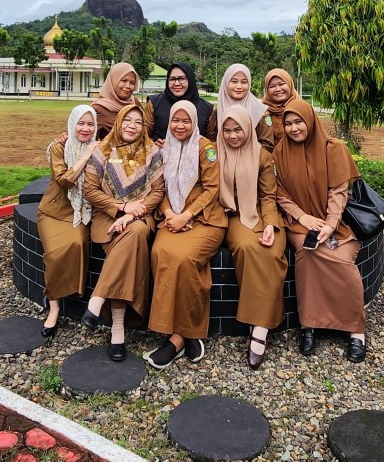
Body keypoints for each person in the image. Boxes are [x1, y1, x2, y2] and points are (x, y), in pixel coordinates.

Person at [274, 98, 368, 363]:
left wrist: (330, 223)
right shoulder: (280, 152)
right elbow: (279, 193)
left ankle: (355, 329)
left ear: (311, 121)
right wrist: (302, 216)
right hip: (300, 223)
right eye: (288, 123)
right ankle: (310, 324)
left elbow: (339, 190)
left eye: (299, 122)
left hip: (337, 224)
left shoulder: (333, 148)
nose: (294, 128)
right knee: (308, 252)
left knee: (341, 259)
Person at [143, 100, 225, 369]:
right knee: (161, 252)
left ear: (194, 123)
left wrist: (186, 215)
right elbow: (159, 187)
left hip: (204, 219)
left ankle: (177, 339)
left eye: (186, 121)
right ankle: (187, 332)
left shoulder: (205, 148)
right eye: (175, 120)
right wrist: (169, 214)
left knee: (185, 258)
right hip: (171, 217)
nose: (180, 125)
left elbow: (212, 188)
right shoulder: (163, 149)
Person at [81, 105, 165, 361]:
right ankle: (117, 329)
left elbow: (158, 192)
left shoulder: (152, 152)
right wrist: (120, 207)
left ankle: (97, 300)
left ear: (144, 127)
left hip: (142, 216)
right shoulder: (103, 150)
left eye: (138, 122)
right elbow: (90, 190)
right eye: (127, 120)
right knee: (129, 244)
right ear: (118, 122)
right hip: (107, 218)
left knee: (135, 231)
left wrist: (133, 213)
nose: (132, 126)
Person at [217, 106, 287, 369]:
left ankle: (260, 328)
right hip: (233, 214)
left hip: (260, 212)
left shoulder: (262, 155)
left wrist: (270, 224)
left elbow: (269, 196)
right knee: (247, 247)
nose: (233, 135)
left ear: (248, 128)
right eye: (227, 130)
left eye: (238, 129)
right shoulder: (214, 153)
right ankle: (261, 323)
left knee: (272, 252)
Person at [36, 105, 99, 339]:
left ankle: (68, 291)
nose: (85, 128)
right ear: (72, 124)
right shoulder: (58, 147)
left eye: (90, 124)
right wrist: (86, 156)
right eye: (80, 123)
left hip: (80, 212)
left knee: (78, 244)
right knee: (54, 254)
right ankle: (54, 306)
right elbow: (64, 180)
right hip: (53, 212)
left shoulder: (100, 148)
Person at [144, 62, 214, 147]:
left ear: (190, 80)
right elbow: (143, 134)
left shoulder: (206, 108)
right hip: (159, 154)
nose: (176, 83)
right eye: (172, 79)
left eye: (182, 78)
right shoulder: (154, 103)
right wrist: (152, 144)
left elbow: (212, 141)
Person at [216, 64, 274, 151]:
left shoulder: (260, 111)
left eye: (244, 82)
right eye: (234, 81)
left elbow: (267, 144)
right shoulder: (218, 111)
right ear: (226, 83)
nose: (239, 87)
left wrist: (244, 154)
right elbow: (212, 140)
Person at [91, 62, 146, 138]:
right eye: (124, 80)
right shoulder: (99, 108)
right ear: (113, 81)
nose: (128, 86)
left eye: (132, 83)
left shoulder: (135, 104)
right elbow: (90, 138)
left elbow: (145, 131)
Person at [261, 68, 296, 149]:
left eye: (281, 84)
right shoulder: (261, 110)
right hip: (265, 156)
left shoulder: (300, 108)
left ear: (289, 84)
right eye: (272, 86)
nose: (278, 89)